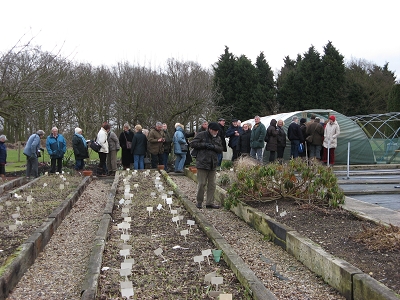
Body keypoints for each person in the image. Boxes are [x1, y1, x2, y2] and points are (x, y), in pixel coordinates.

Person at [190, 122, 223, 209]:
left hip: (213, 164)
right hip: (202, 163)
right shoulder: (201, 135)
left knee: (212, 184)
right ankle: (199, 201)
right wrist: (204, 145)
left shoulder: (218, 138)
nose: (216, 132)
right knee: (202, 183)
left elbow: (220, 149)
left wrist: (213, 147)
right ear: (210, 129)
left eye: (217, 131)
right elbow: (192, 144)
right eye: (215, 131)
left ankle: (209, 202)